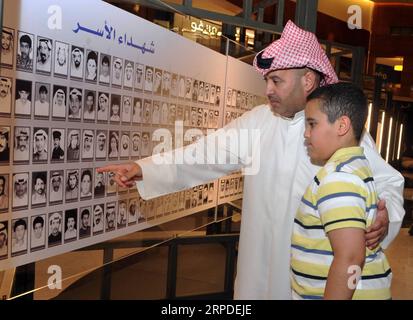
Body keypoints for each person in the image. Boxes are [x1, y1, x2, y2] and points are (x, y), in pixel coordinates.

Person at [98, 20, 405, 299]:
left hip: (314, 282)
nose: (267, 90)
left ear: (308, 80)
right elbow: (202, 155)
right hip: (257, 275)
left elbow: (388, 183)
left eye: (277, 81)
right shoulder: (257, 121)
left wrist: (384, 216)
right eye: (267, 80)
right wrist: (144, 168)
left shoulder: (340, 130)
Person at [291, 82, 392, 300]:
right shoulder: (355, 166)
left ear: (342, 126)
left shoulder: (338, 177)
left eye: (312, 124)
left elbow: (351, 257)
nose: (306, 135)